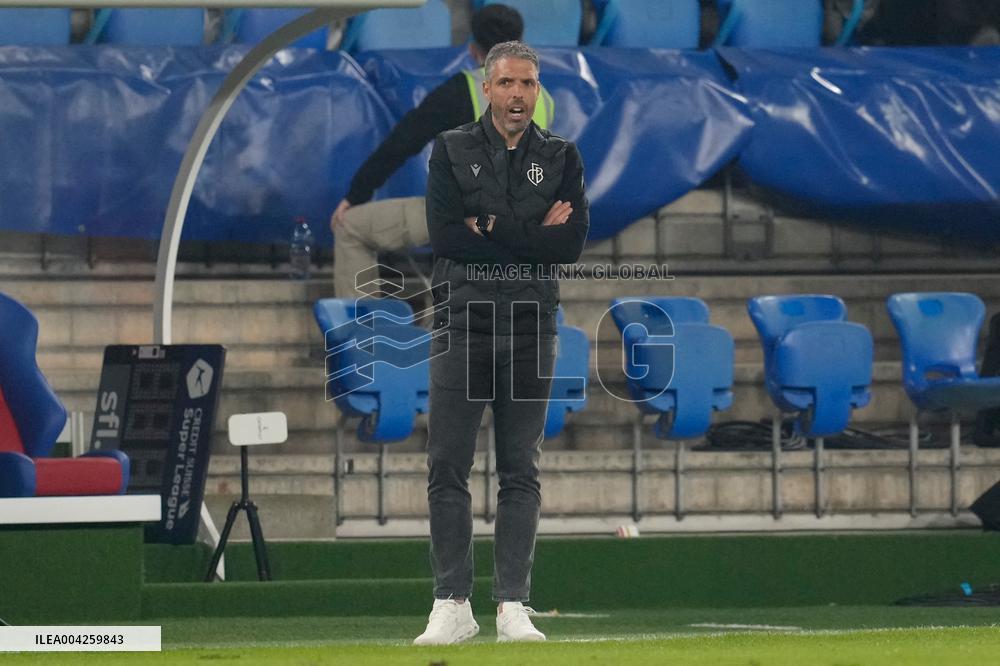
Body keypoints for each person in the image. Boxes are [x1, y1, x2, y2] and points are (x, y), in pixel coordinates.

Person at [412, 40, 588, 645]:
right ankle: (451, 604)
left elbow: (567, 248)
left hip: (531, 330)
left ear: (538, 92)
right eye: (508, 83)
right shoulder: (452, 148)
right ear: (486, 88)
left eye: (528, 84)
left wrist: (487, 226)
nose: (518, 94)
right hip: (462, 328)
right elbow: (445, 239)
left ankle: (513, 604)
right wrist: (529, 235)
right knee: (447, 468)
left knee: (521, 471)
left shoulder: (561, 156)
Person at [329, 4, 554, 298]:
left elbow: (403, 141)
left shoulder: (462, 90)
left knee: (351, 229)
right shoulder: (544, 99)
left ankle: (359, 337)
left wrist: (355, 195)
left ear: (474, 50)